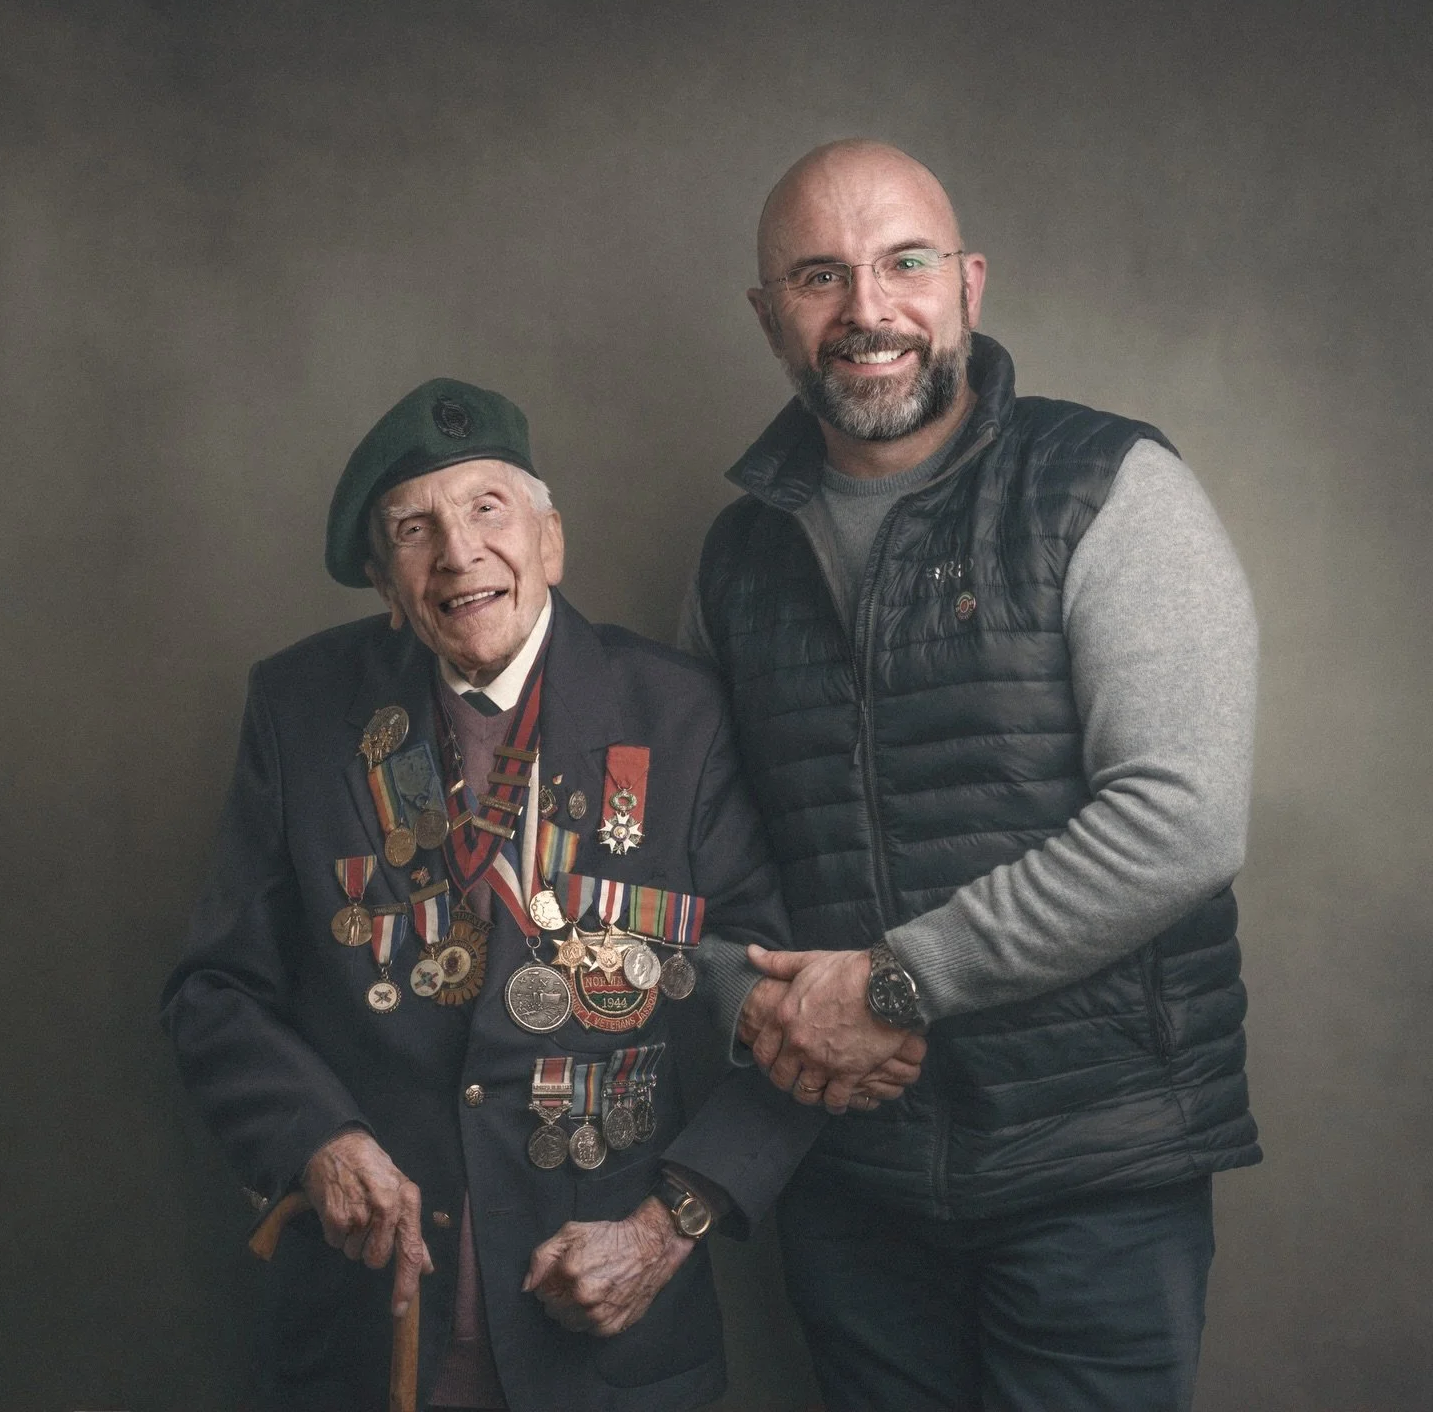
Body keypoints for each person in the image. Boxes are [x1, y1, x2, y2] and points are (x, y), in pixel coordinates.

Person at [683, 140, 1261, 1412]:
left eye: (905, 264)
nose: (868, 309)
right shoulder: (736, 561)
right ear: (769, 313)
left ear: (969, 284)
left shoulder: (1110, 487)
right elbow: (693, 863)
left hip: (1094, 1173)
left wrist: (896, 981)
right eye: (820, 276)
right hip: (849, 1180)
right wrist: (750, 998)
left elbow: (1182, 819)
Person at [161, 378, 842, 1412]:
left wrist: (667, 1230)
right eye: (413, 529)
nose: (459, 553)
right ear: (388, 584)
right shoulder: (298, 709)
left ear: (551, 540)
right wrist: (316, 1138)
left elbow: (796, 1018)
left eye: (488, 507)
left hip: (609, 1342)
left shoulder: (678, 715)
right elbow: (215, 991)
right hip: (369, 1336)